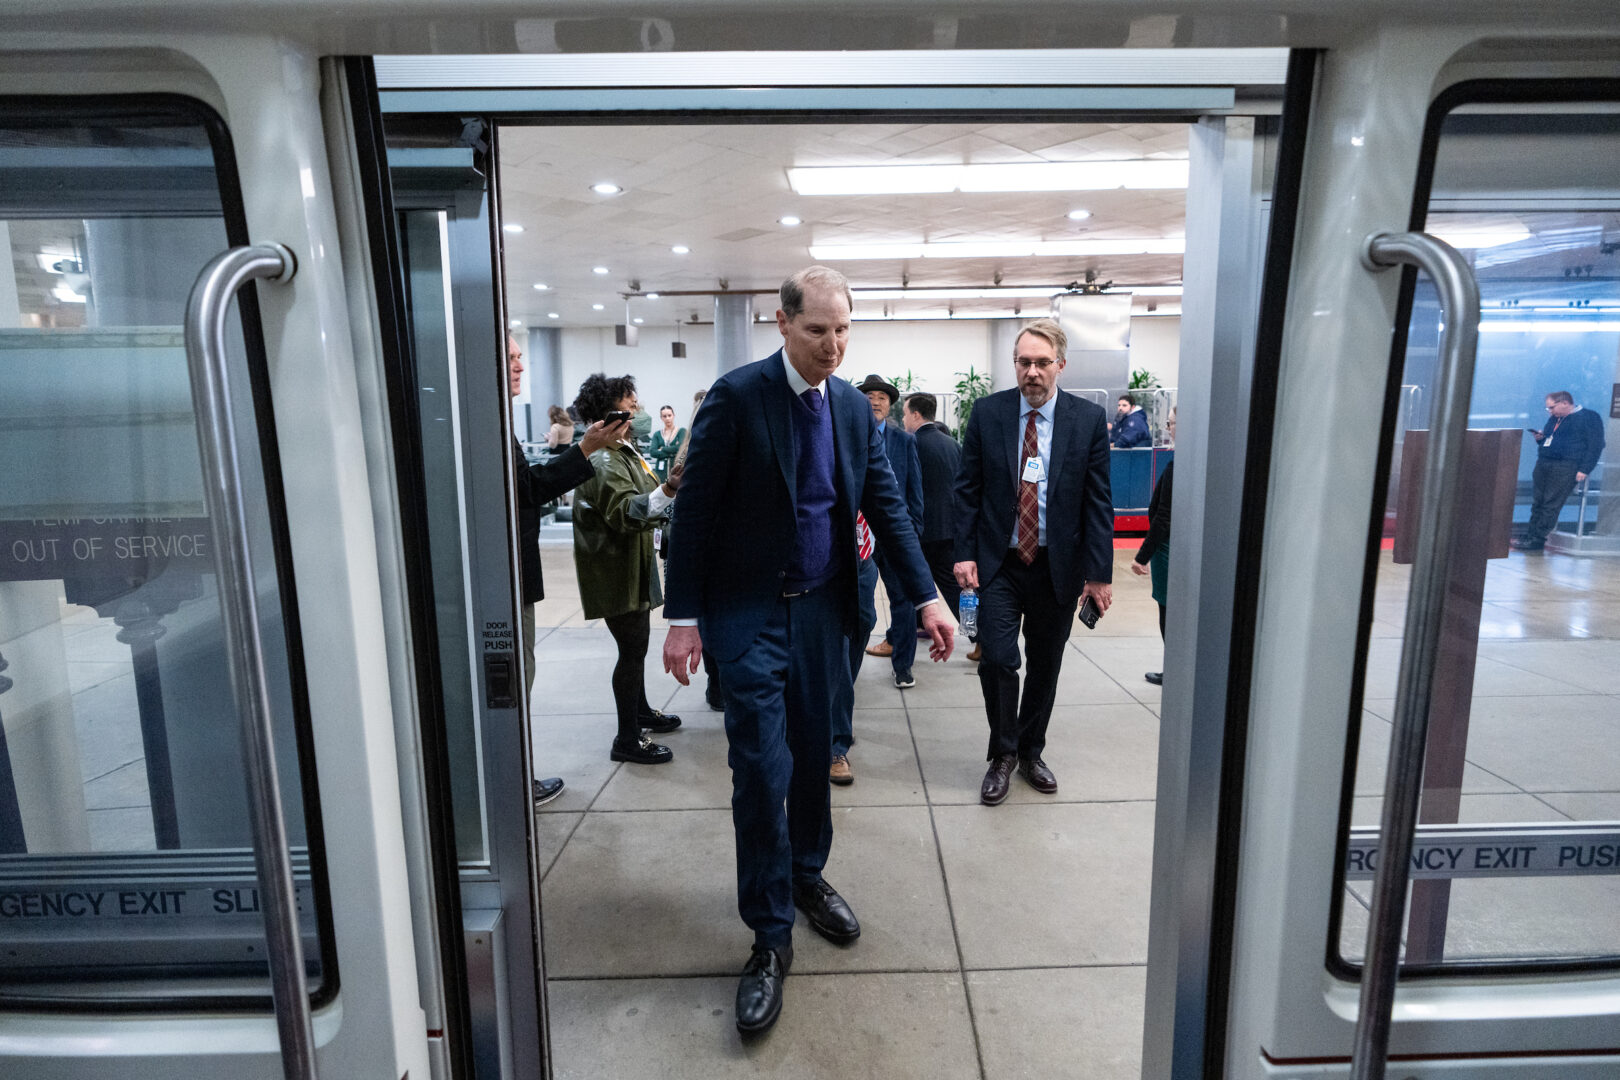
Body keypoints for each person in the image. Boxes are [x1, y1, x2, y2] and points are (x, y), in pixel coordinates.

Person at [662, 265, 955, 1036]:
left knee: (816, 751)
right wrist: (683, 615)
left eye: (843, 331)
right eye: (818, 331)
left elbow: (885, 506)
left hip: (825, 613)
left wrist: (925, 597)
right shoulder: (737, 397)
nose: (833, 346)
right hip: (751, 615)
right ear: (783, 325)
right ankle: (767, 935)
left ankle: (807, 876)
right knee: (762, 767)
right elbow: (693, 515)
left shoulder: (855, 409)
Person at [954, 317, 1113, 807]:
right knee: (998, 659)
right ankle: (1002, 754)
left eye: (1043, 363)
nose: (1033, 372)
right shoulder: (988, 413)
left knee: (1046, 665)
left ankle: (1030, 751)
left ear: (1060, 365)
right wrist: (962, 554)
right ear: (1015, 364)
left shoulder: (1086, 421)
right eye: (1024, 362)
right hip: (1000, 563)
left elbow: (1097, 501)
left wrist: (1099, 574)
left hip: (1055, 566)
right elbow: (967, 491)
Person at [508, 335, 627, 805]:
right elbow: (530, 490)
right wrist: (586, 451)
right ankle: (514, 781)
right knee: (516, 680)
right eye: (512, 356)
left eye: (521, 356)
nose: (521, 364)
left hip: (514, 574)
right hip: (508, 576)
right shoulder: (485, 419)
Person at [570, 373, 683, 765]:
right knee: (632, 650)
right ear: (611, 413)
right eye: (631, 407)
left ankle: (639, 711)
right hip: (614, 567)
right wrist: (668, 489)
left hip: (631, 562)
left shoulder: (624, 452)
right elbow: (625, 511)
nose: (638, 414)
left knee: (637, 646)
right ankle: (627, 738)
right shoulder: (604, 459)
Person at [854, 374, 925, 690]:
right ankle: (847, 672)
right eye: (869, 395)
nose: (875, 400)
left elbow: (915, 491)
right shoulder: (848, 439)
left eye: (882, 396)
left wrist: (914, 531)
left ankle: (904, 667)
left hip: (896, 535)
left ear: (890, 404)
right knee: (858, 608)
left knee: (904, 602)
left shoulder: (905, 441)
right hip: (860, 538)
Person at [1512, 390, 1606, 552]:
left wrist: (1584, 469)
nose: (1550, 411)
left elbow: (1595, 445)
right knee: (1538, 503)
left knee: (1550, 503)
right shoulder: (1555, 419)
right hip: (1545, 463)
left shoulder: (1589, 418)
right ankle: (1530, 535)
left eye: (1551, 407)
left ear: (1564, 403)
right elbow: (1551, 439)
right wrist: (1541, 440)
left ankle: (1537, 539)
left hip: (1566, 466)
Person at [903, 392, 964, 619]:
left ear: (916, 414)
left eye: (905, 415)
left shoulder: (911, 444)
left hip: (923, 528)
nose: (903, 420)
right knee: (950, 584)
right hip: (950, 526)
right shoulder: (953, 444)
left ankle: (982, 638)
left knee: (910, 582)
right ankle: (981, 637)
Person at [1132, 407, 1175, 685]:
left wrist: (1142, 555)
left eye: (1171, 423)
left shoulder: (1177, 465)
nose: (1169, 427)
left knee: (1167, 611)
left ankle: (1173, 668)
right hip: (1172, 546)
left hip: (1166, 549)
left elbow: (1164, 515)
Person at [648, 404, 686, 479]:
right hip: (661, 472)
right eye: (664, 416)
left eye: (669, 415)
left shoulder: (681, 431)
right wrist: (672, 453)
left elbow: (680, 448)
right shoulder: (657, 434)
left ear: (673, 415)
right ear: (661, 418)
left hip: (676, 470)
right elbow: (652, 452)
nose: (667, 418)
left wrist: (662, 449)